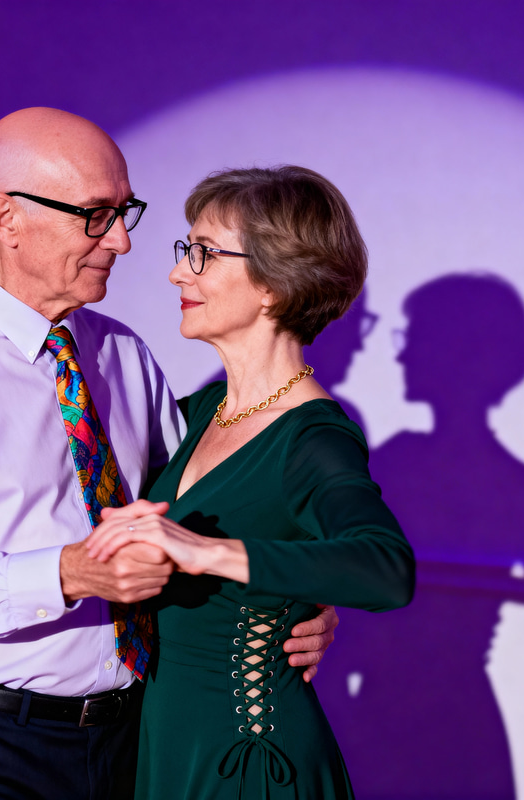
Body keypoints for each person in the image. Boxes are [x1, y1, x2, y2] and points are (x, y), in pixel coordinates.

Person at [0, 108, 335, 800]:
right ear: (7, 218)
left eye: (125, 210)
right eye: (96, 215)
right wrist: (67, 573)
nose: (124, 242)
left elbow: (204, 514)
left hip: (135, 737)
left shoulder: (123, 354)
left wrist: (295, 607)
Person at [87, 166, 416, 799]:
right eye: (186, 252)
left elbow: (385, 568)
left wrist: (209, 553)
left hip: (246, 763)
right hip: (165, 749)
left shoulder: (312, 436)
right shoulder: (198, 412)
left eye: (202, 254)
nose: (178, 272)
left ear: (271, 284)